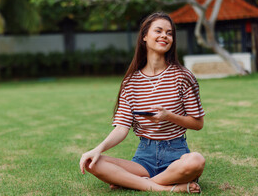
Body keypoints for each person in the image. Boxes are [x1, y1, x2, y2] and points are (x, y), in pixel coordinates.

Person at [79, 12, 205, 193]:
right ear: (144, 36)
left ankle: (133, 183)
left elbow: (198, 123)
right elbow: (122, 127)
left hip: (176, 155)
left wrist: (168, 116)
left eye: (169, 33)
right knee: (92, 162)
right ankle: (166, 188)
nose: (164, 36)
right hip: (144, 157)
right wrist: (97, 149)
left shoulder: (183, 76)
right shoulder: (130, 82)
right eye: (159, 31)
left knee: (196, 161)